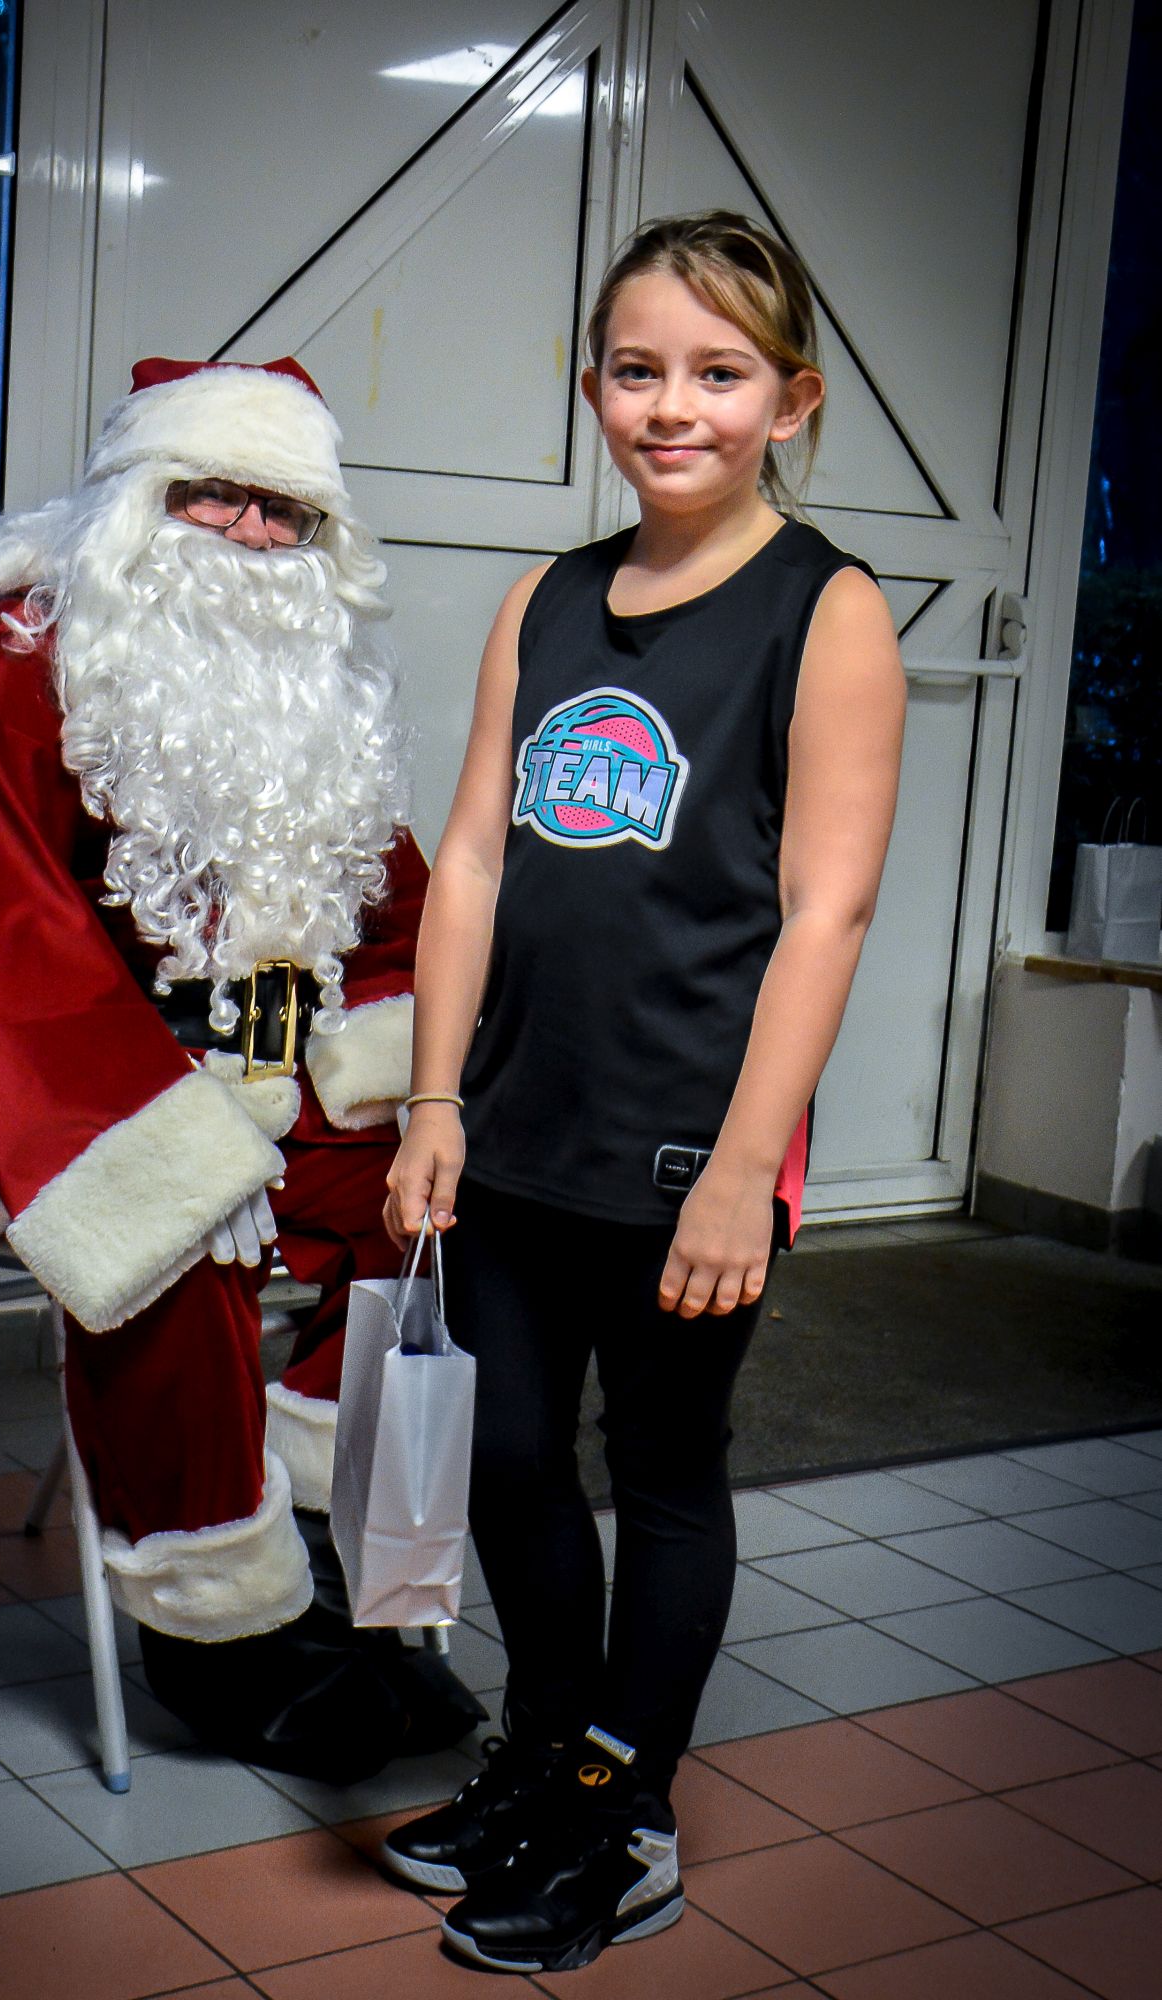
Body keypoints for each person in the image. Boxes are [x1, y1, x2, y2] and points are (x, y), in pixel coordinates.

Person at [0, 355, 478, 1772]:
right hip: (20, 1078)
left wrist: (409, 1098)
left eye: (283, 511)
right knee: (176, 1223)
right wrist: (170, 1129)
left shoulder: (310, 688)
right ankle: (220, 1633)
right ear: (131, 498)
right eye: (212, 494)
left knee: (421, 1208)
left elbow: (386, 911)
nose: (248, 533)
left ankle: (329, 1551)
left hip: (246, 1065)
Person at [380, 212, 906, 1973]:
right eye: (635, 370)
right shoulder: (543, 600)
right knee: (507, 1457)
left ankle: (624, 1818)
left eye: (716, 373)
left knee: (664, 1468)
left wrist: (743, 1169)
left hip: (693, 1141)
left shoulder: (824, 612)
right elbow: (470, 856)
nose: (670, 406)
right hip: (515, 1119)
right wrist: (434, 1101)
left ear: (789, 401)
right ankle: (539, 1758)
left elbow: (825, 912)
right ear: (592, 386)